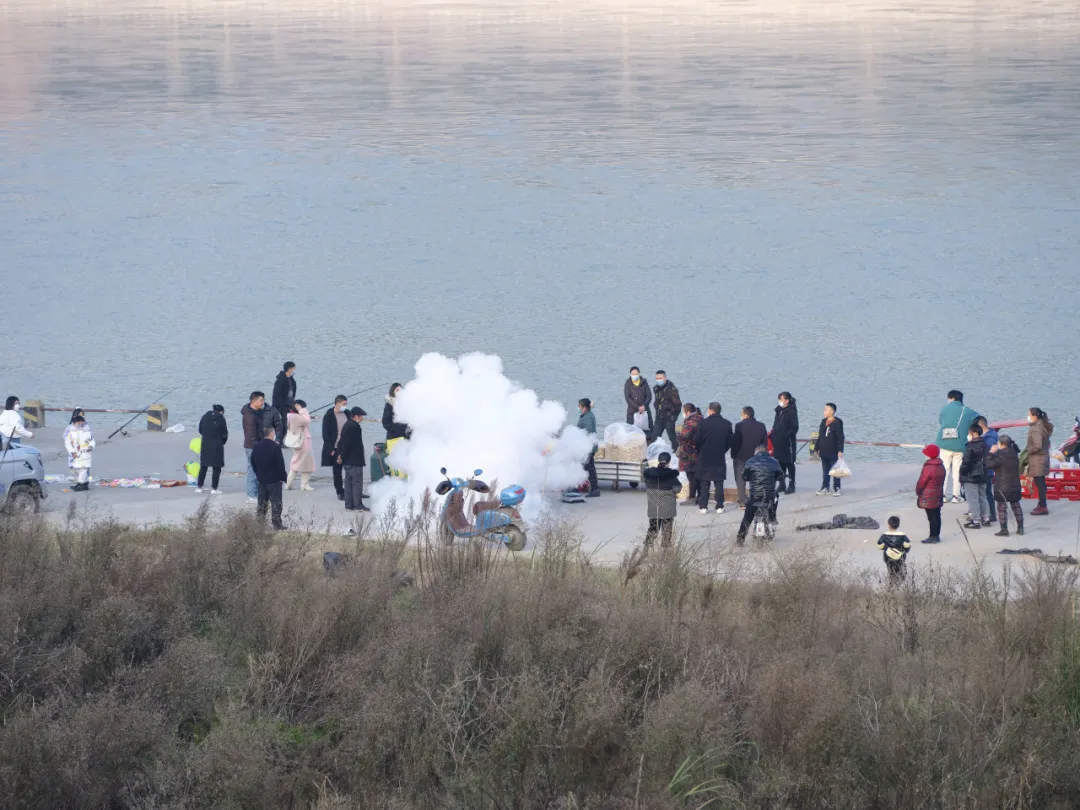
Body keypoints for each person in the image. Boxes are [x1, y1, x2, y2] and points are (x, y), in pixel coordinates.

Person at [936, 390, 979, 504]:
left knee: (944, 471)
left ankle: (943, 496)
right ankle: (956, 496)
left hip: (944, 444)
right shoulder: (967, 411)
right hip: (960, 445)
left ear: (951, 398)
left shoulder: (945, 409)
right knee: (957, 472)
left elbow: (941, 422)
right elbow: (978, 418)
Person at [736, 444, 784, 545]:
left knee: (747, 517)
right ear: (766, 452)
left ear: (756, 452)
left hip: (755, 496)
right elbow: (780, 475)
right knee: (774, 501)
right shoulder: (774, 461)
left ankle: (740, 539)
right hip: (769, 495)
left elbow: (744, 476)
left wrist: (750, 478)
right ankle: (772, 518)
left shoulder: (750, 461)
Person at [694, 402, 733, 514]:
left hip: (705, 456)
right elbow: (730, 441)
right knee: (719, 482)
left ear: (711, 410)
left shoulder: (703, 423)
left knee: (704, 482)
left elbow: (697, 440)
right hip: (719, 456)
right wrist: (723, 450)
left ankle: (703, 507)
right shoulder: (727, 424)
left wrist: (700, 450)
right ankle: (720, 506)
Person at [986, 434, 1024, 537]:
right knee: (1016, 505)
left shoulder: (1000, 456)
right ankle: (1020, 528)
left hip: (1002, 486)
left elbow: (988, 464)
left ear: (1002, 444)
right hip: (1015, 484)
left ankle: (1004, 529)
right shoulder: (1014, 454)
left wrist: (991, 452)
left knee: (1002, 507)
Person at [250, 426, 287, 530]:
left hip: (262, 479)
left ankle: (259, 523)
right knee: (276, 502)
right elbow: (280, 465)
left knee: (262, 502)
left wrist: (257, 473)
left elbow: (252, 462)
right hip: (274, 479)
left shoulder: (257, 447)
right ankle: (277, 524)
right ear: (271, 434)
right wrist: (283, 477)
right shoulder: (275, 447)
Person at [730, 406, 767, 509]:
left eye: (742, 414)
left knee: (740, 479)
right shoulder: (761, 426)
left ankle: (742, 501)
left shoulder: (739, 425)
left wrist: (733, 455)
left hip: (741, 456)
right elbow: (764, 443)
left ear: (746, 414)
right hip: (756, 457)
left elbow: (736, 442)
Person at [240, 391, 273, 504]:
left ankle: (258, 492)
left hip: (258, 443)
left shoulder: (257, 412)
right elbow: (251, 435)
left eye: (263, 400)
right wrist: (258, 448)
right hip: (252, 446)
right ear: (253, 401)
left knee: (258, 469)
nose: (263, 402)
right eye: (261, 400)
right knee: (252, 470)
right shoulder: (249, 416)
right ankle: (251, 494)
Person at [643, 451, 679, 548]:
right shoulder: (671, 475)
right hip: (667, 508)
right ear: (668, 462)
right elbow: (678, 488)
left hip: (653, 507)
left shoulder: (649, 474)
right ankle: (665, 551)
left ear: (658, 460)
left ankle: (646, 548)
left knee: (653, 528)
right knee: (667, 529)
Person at [338, 406, 370, 512]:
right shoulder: (354, 427)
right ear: (356, 416)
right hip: (354, 460)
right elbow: (348, 444)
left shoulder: (347, 425)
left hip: (347, 460)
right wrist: (342, 456)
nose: (362, 419)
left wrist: (341, 456)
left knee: (348, 483)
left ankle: (349, 505)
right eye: (361, 417)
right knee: (356, 483)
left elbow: (342, 443)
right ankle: (357, 505)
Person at [959, 422, 990, 529]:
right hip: (983, 474)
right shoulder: (986, 445)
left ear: (973, 433)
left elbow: (966, 462)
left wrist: (961, 473)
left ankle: (975, 520)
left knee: (973, 499)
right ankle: (986, 518)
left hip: (971, 476)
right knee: (983, 497)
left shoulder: (970, 446)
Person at [1025, 407, 1054, 516]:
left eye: (1029, 414)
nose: (1028, 416)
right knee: (1041, 482)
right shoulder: (1043, 426)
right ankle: (1042, 503)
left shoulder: (1036, 428)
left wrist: (1029, 451)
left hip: (1038, 459)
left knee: (1040, 483)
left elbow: (1038, 445)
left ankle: (1042, 506)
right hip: (1043, 458)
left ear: (1034, 416)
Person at [916, 444, 946, 544]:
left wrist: (918, 491)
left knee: (931, 517)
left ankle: (933, 536)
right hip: (938, 493)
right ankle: (936, 535)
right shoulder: (941, 465)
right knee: (937, 515)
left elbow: (922, 481)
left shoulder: (929, 467)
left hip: (929, 495)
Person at [771, 392, 799, 494]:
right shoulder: (779, 411)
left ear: (787, 400)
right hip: (778, 441)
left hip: (788, 442)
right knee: (779, 463)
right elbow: (775, 424)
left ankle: (792, 484)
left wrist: (785, 436)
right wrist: (773, 434)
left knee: (790, 463)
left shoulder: (791, 411)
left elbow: (795, 427)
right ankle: (782, 483)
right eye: (779, 399)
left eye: (781, 399)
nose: (780, 402)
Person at [322, 395, 349, 501]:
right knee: (337, 471)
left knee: (350, 469)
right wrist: (331, 449)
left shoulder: (347, 413)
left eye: (346, 404)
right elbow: (325, 434)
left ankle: (352, 490)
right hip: (336, 446)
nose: (345, 406)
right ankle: (340, 491)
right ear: (337, 404)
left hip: (347, 446)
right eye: (343, 404)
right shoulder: (329, 415)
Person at [285, 400, 316, 491]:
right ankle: (301, 484)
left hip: (298, 441)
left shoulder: (291, 416)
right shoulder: (295, 417)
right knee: (303, 462)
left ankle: (291, 484)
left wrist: (302, 412)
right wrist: (302, 411)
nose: (304, 409)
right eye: (303, 407)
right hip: (303, 442)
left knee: (300, 462)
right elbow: (307, 420)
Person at [196, 404, 228, 494]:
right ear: (221, 411)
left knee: (203, 466)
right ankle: (214, 488)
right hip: (217, 445)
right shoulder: (221, 419)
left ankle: (199, 487)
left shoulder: (205, 417)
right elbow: (225, 433)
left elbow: (200, 430)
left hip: (205, 444)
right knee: (216, 467)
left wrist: (207, 436)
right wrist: (222, 442)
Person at [675, 403, 703, 505]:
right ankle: (700, 496)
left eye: (683, 411)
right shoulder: (701, 419)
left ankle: (692, 498)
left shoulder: (690, 422)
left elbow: (684, 437)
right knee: (697, 475)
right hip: (699, 452)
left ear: (687, 412)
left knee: (691, 476)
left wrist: (678, 433)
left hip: (689, 452)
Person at [816, 403, 845, 496]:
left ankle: (837, 488)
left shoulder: (837, 423)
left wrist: (840, 450)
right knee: (825, 471)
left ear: (832, 411)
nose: (824, 411)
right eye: (824, 409)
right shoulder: (823, 422)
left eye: (826, 410)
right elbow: (820, 436)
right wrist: (817, 448)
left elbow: (840, 438)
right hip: (824, 450)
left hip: (833, 451)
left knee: (835, 471)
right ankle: (825, 487)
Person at [63, 414, 95, 491]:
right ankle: (85, 483)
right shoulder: (71, 432)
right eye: (78, 423)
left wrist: (91, 447)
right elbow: (67, 443)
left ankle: (80, 484)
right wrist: (72, 452)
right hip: (76, 453)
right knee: (77, 468)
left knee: (83, 468)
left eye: (81, 422)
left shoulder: (87, 431)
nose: (80, 424)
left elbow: (92, 440)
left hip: (85, 452)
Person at [976, 416, 999, 524]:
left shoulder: (989, 438)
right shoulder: (989, 435)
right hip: (986, 468)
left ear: (980, 426)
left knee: (987, 492)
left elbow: (989, 454)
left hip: (987, 469)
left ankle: (992, 514)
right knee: (985, 491)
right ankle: (987, 512)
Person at [876, 516, 911, 584]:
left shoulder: (884, 535)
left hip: (888, 556)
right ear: (898, 525)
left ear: (889, 525)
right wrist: (905, 549)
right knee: (900, 568)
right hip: (900, 556)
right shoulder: (902, 535)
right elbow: (907, 545)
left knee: (890, 569)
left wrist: (884, 547)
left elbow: (880, 546)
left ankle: (892, 582)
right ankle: (898, 580)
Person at [651, 371, 682, 448]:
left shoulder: (672, 389)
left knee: (672, 437)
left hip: (669, 417)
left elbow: (678, 404)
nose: (658, 380)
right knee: (654, 437)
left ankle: (676, 451)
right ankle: (655, 453)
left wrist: (674, 416)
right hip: (659, 417)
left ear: (665, 378)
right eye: (657, 378)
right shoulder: (656, 388)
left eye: (660, 378)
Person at [577, 398, 600, 497]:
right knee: (587, 467)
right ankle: (590, 487)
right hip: (587, 446)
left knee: (589, 468)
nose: (578, 408)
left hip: (588, 446)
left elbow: (589, 432)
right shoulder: (586, 415)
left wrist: (586, 446)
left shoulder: (588, 418)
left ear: (584, 407)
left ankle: (595, 489)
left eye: (579, 406)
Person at [271, 362, 297, 445]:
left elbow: (292, 393)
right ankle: (280, 441)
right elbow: (276, 395)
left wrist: (293, 404)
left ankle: (286, 440)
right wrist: (279, 407)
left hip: (290, 405)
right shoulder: (280, 380)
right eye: (293, 368)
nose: (294, 370)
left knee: (288, 424)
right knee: (282, 424)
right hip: (281, 406)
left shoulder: (291, 379)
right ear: (289, 369)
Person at [624, 366, 652, 432]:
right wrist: (638, 407)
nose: (634, 375)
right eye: (633, 374)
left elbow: (649, 395)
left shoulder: (644, 382)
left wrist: (644, 406)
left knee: (648, 431)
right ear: (630, 374)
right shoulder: (628, 383)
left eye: (636, 374)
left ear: (639, 373)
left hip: (644, 410)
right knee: (631, 432)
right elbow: (627, 398)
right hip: (632, 411)